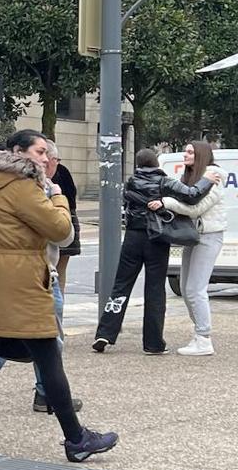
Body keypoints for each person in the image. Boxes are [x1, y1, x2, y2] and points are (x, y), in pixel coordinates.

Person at [0, 131, 118, 463]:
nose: (46, 158)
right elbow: (63, 232)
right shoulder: (24, 187)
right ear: (18, 152)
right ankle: (77, 440)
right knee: (49, 356)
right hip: (21, 282)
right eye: (40, 151)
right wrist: (58, 196)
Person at [93, 148, 221, 355]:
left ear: (138, 164)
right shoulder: (165, 182)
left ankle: (105, 333)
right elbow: (192, 195)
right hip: (156, 239)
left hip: (132, 239)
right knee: (155, 290)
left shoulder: (131, 183)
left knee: (120, 286)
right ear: (156, 165)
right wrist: (206, 180)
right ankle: (153, 343)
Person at [153, 141, 228, 356]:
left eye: (189, 152)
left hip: (209, 236)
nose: (184, 155)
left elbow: (197, 209)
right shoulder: (190, 177)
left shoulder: (214, 176)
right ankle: (199, 335)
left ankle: (204, 338)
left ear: (201, 155)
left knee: (195, 289)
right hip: (194, 236)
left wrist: (167, 202)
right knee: (186, 289)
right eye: (185, 151)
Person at [48, 145, 80, 292]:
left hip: (64, 217)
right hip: (65, 216)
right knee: (59, 269)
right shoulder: (62, 171)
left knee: (59, 267)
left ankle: (59, 299)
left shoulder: (60, 172)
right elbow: (72, 194)